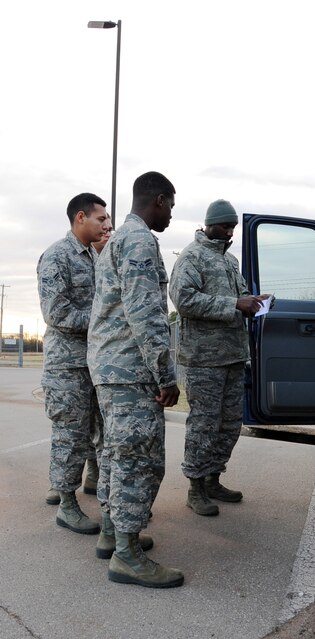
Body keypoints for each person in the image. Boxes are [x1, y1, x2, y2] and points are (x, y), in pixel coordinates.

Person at [88, 171, 184, 588]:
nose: (171, 215)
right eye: (171, 206)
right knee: (138, 461)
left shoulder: (117, 241)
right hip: (131, 372)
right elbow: (146, 315)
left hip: (111, 370)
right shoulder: (141, 241)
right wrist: (166, 375)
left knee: (115, 454)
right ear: (159, 200)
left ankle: (112, 534)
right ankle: (127, 555)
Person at [169, 199, 271, 516]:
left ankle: (213, 478)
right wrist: (234, 305)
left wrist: (255, 302)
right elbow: (183, 299)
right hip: (204, 360)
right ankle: (195, 488)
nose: (229, 232)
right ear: (209, 224)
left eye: (232, 227)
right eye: (224, 226)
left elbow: (238, 299)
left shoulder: (230, 262)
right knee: (204, 424)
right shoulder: (191, 257)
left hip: (233, 356)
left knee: (229, 425)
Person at [38, 193, 108, 534]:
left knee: (97, 433)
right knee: (70, 436)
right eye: (100, 218)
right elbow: (56, 312)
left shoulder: (93, 257)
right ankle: (67, 504)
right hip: (67, 367)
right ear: (80, 217)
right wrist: (103, 320)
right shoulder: (57, 256)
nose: (105, 224)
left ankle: (102, 492)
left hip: (93, 363)